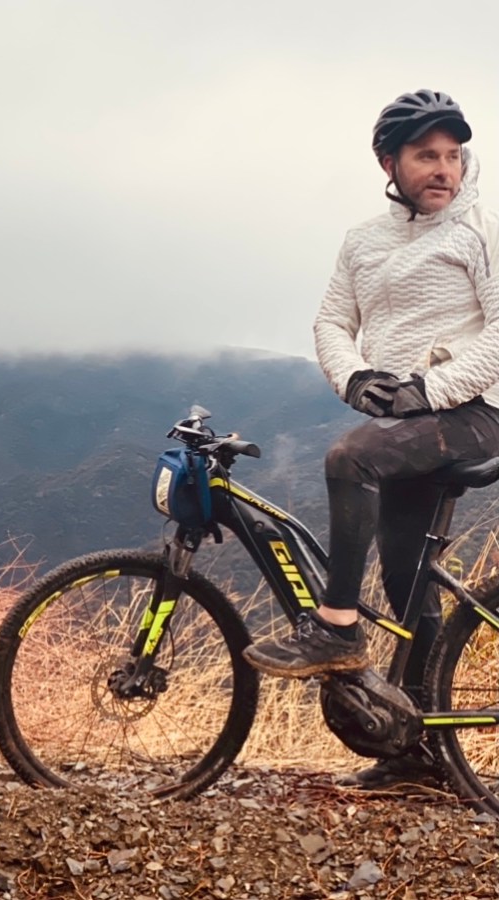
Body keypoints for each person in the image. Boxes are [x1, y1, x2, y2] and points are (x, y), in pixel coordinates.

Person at [242, 89, 499, 787]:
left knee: (349, 457)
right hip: (411, 425)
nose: (443, 169)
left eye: (453, 155)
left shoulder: (480, 228)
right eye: (426, 155)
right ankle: (420, 755)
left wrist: (428, 390)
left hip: (475, 414)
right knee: (407, 583)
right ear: (389, 163)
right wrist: (356, 379)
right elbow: (332, 321)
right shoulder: (363, 241)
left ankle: (336, 627)